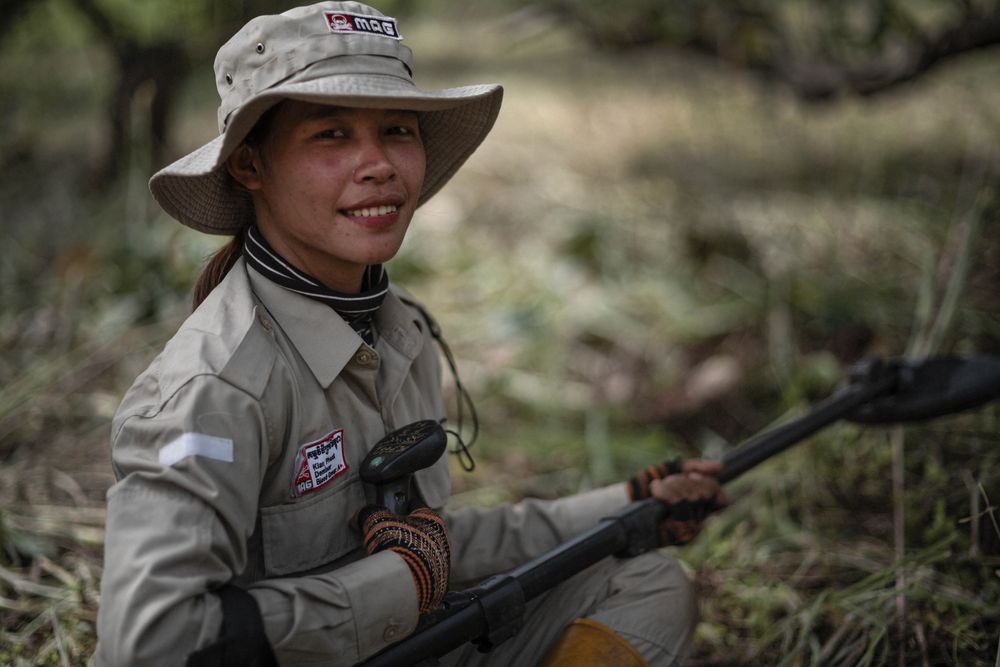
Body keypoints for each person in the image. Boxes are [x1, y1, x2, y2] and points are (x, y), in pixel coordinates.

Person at [95, 2, 727, 666]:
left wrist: (625, 506)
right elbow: (148, 641)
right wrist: (393, 585)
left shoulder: (399, 328)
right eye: (331, 135)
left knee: (648, 582)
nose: (378, 165)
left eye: (397, 129)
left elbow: (432, 543)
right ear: (250, 165)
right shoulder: (214, 388)